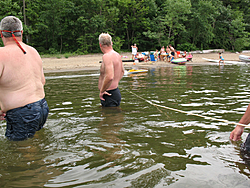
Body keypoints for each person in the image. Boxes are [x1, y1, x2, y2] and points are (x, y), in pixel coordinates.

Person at [0, 16, 49, 141]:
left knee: (22, 151)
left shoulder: (1, 54)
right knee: (35, 143)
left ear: (1, 33)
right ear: (21, 32)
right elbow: (42, 81)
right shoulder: (33, 51)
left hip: (22, 112)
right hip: (42, 107)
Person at [98, 33, 124, 107]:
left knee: (109, 117)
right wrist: (115, 84)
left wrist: (102, 91)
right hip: (115, 92)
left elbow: (110, 77)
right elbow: (122, 72)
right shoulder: (117, 55)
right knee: (114, 117)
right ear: (111, 43)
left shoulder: (107, 56)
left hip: (108, 93)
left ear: (100, 45)